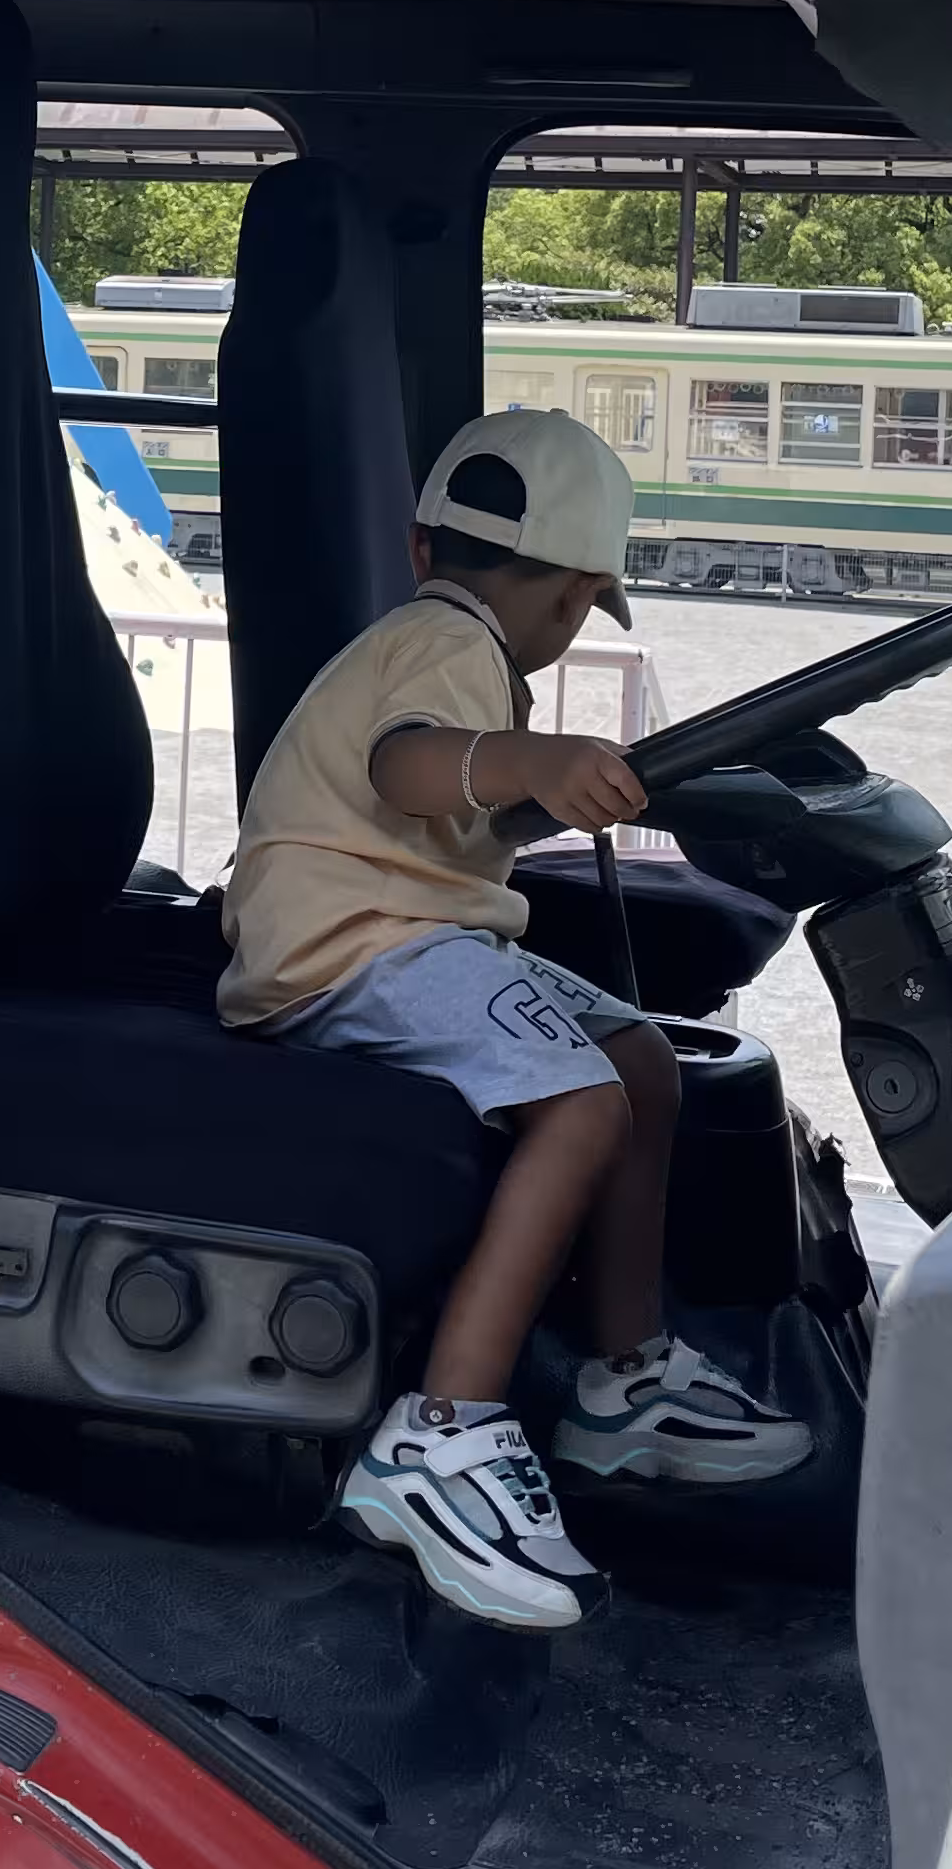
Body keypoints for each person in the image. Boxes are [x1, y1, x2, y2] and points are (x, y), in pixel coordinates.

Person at [218, 407, 809, 1631]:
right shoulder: (450, 642)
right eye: (583, 610)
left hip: (405, 932)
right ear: (579, 598)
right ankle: (437, 1439)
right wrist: (527, 761)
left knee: (642, 1059)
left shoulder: (439, 624)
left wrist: (534, 778)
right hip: (353, 945)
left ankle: (623, 1375)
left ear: (426, 543)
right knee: (583, 1101)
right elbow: (409, 767)